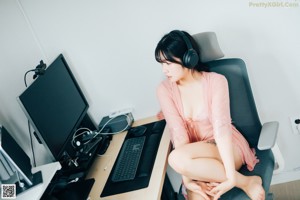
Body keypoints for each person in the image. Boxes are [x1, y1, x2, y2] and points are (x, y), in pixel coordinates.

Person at [154, 30, 265, 200]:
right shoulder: (165, 89)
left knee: (175, 158)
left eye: (168, 63)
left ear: (187, 58)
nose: (164, 70)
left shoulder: (216, 81)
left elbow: (222, 131)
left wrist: (230, 175)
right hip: (194, 157)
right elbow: (179, 135)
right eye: (161, 64)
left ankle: (243, 181)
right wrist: (188, 180)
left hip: (226, 148)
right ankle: (242, 181)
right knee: (199, 194)